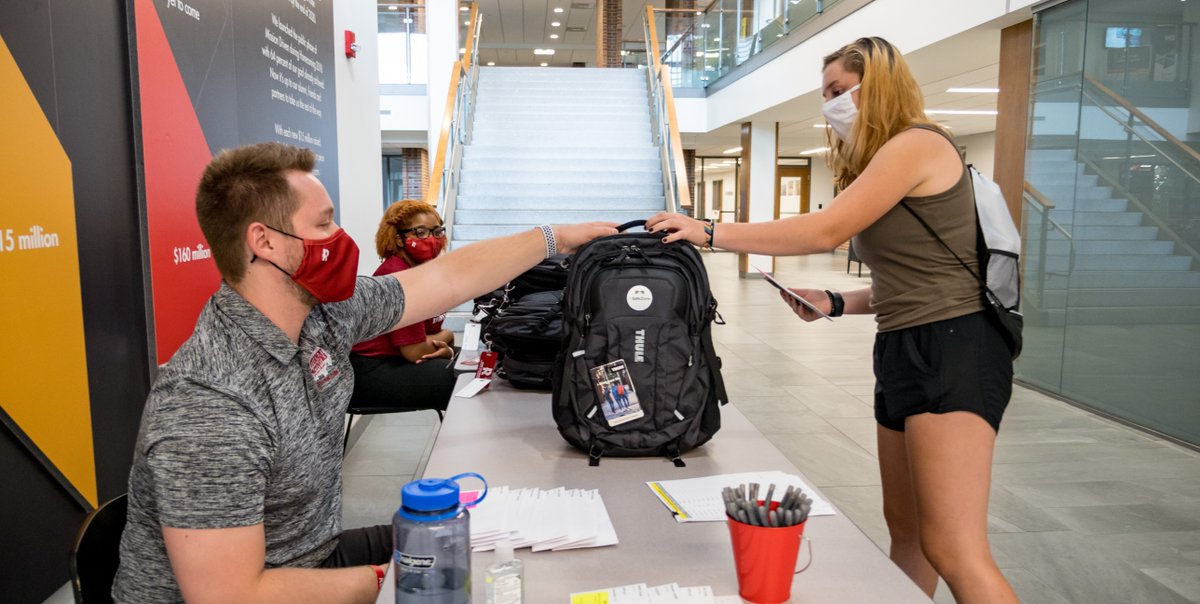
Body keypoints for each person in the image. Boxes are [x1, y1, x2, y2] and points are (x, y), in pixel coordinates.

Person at [111, 142, 616, 604]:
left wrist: (557, 238)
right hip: (259, 590)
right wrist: (394, 576)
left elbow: (448, 276)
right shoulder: (209, 404)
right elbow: (233, 596)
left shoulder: (326, 313)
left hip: (310, 556)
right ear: (264, 242)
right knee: (453, 573)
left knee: (485, 537)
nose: (342, 238)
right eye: (325, 224)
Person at [646, 37, 1018, 604]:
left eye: (841, 92)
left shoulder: (916, 143)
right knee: (910, 534)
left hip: (956, 348)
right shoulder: (887, 158)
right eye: (827, 94)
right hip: (904, 344)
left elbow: (824, 231)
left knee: (955, 548)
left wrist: (711, 232)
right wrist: (838, 300)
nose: (833, 106)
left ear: (881, 86)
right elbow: (918, 279)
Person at [349, 200, 456, 415]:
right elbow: (415, 351)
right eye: (421, 232)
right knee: (464, 381)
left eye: (437, 231)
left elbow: (427, 338)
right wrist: (448, 337)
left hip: (397, 360)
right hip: (372, 371)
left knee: (476, 366)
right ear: (399, 239)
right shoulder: (400, 277)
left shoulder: (419, 272)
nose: (432, 240)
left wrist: (445, 346)